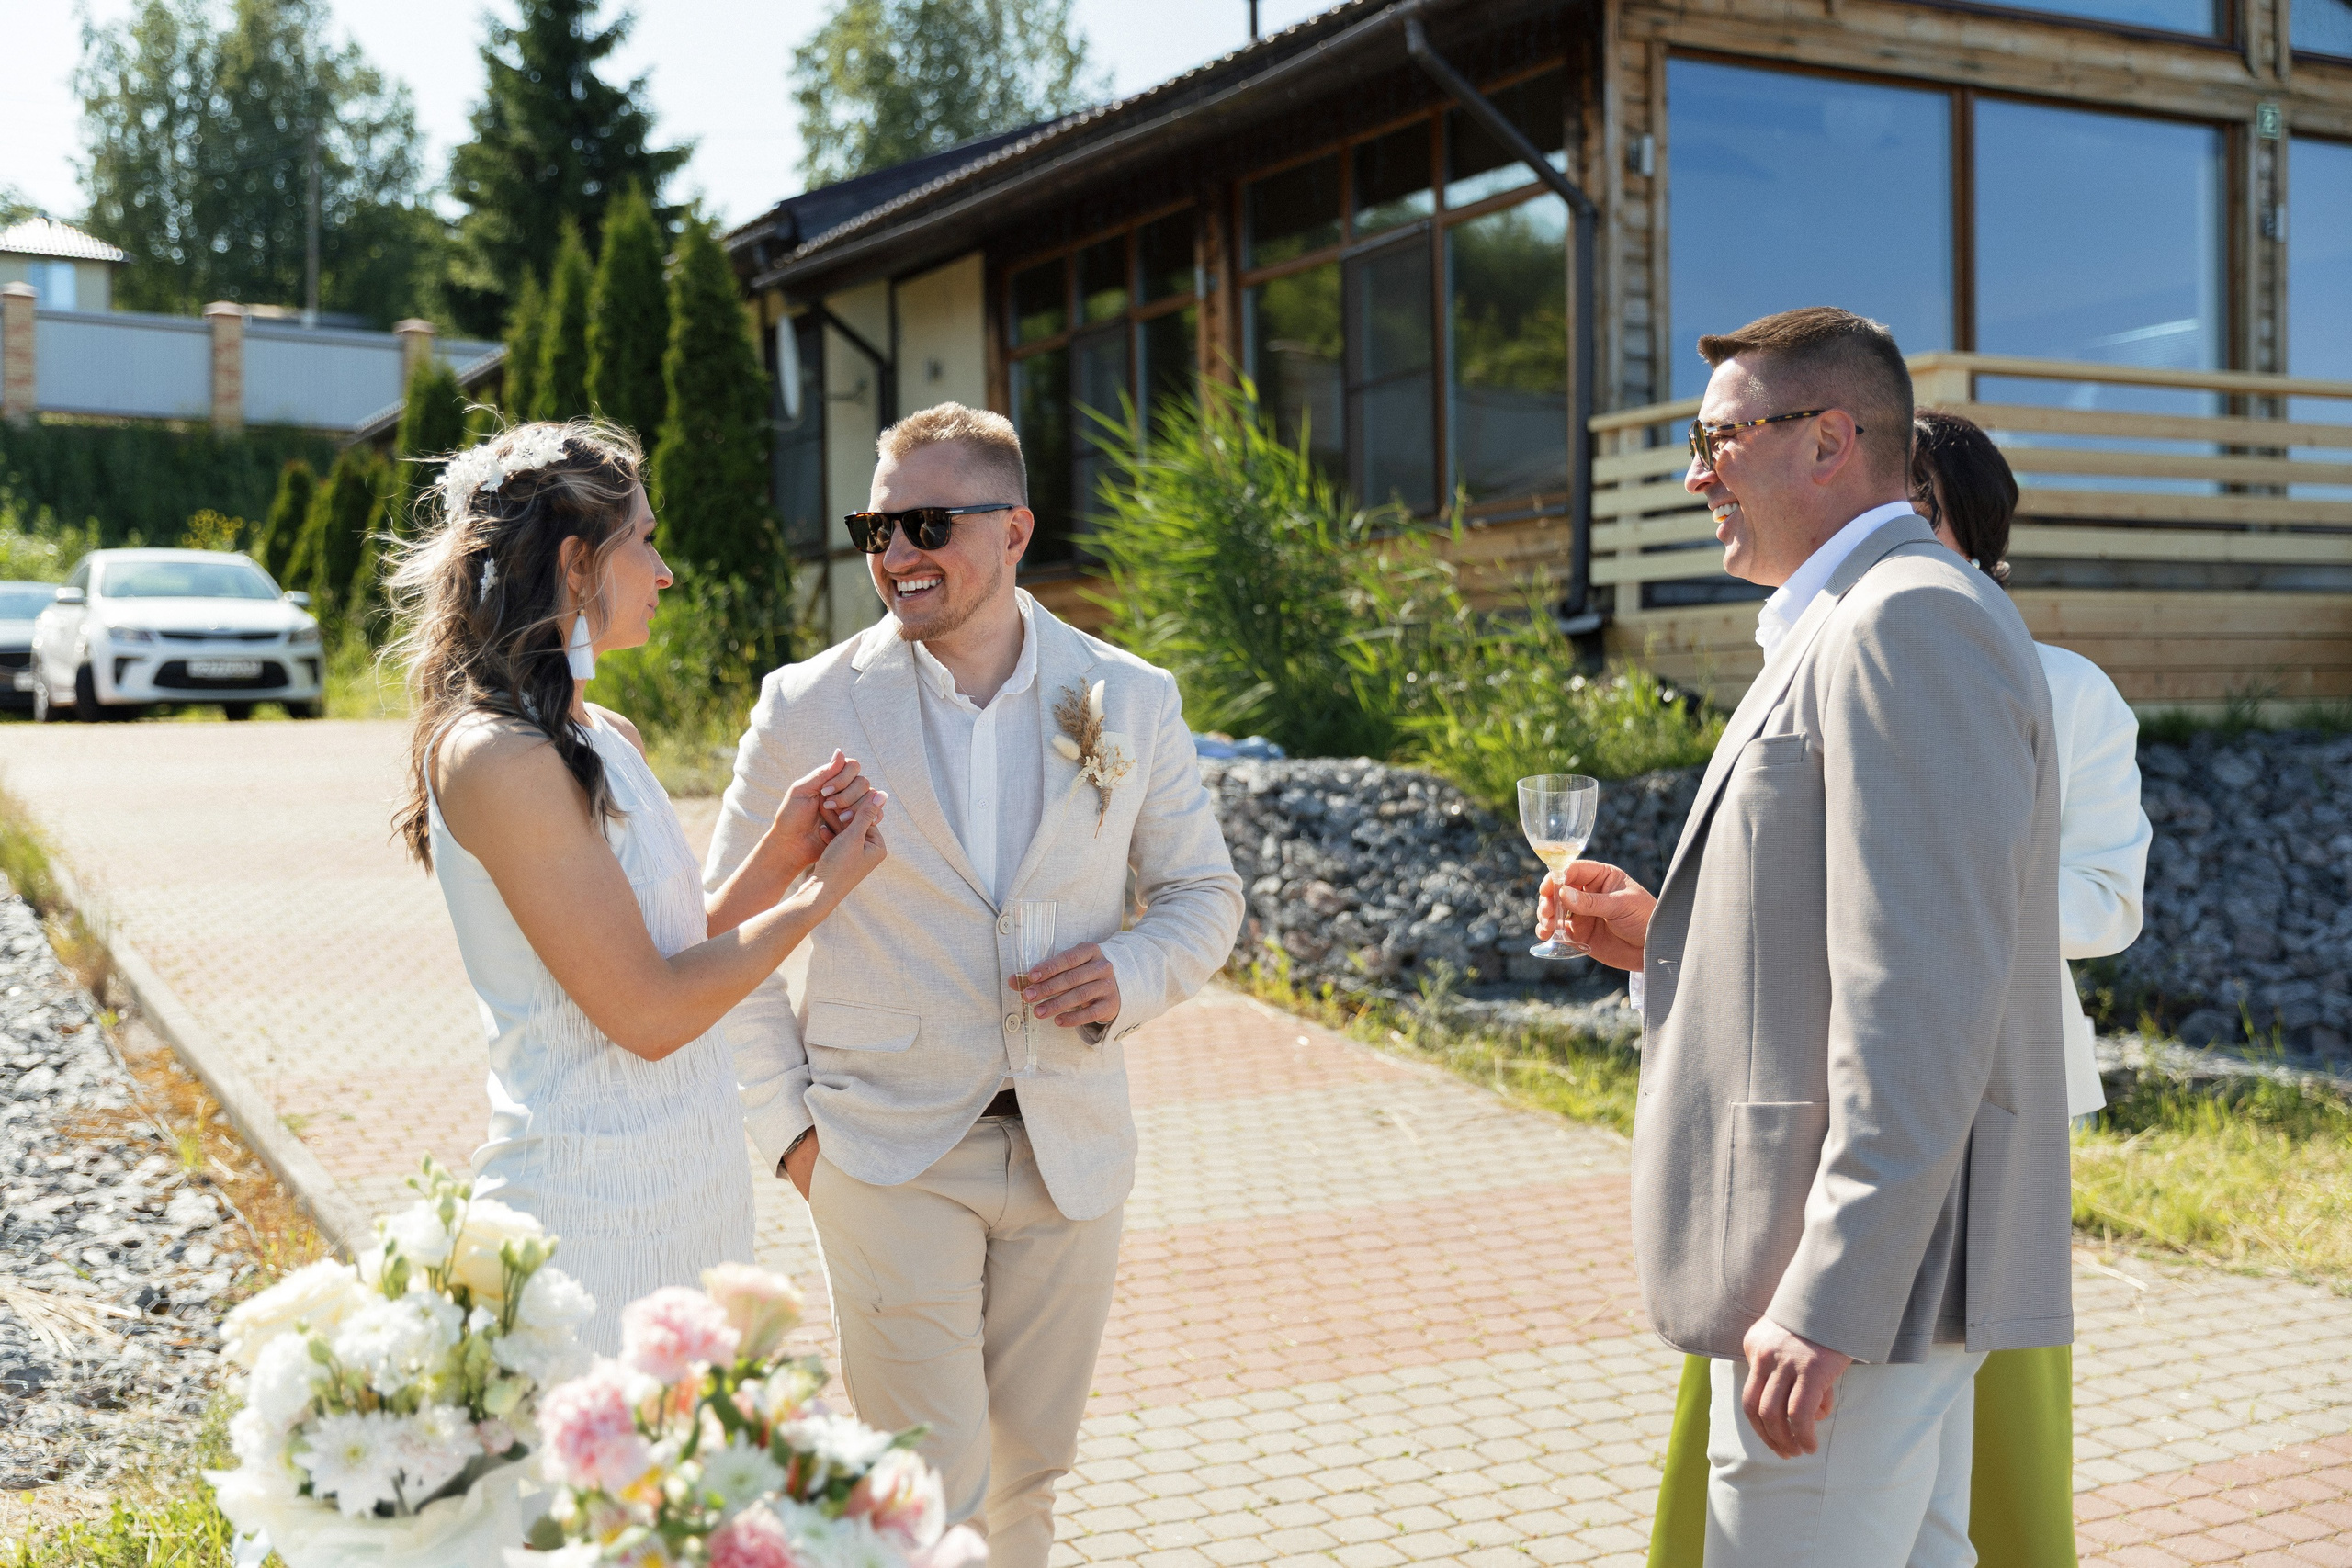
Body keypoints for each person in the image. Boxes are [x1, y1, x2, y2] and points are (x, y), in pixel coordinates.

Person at [1540, 309, 2072, 1568]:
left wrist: (1831, 1292)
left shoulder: (1902, 621)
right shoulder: (1856, 616)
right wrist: (1663, 940)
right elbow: (1851, 941)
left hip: (1846, 1286)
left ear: (1831, 438)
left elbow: (1926, 995)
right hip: (1863, 1281)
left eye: (1721, 437)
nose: (1694, 472)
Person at [709, 402, 1245, 1568]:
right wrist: (793, 1136)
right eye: (875, 528)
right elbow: (728, 938)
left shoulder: (1129, 697)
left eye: (927, 524)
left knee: (1027, 1474)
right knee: (920, 1483)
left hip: (1072, 1146)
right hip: (884, 1151)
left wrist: (1127, 971)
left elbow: (1205, 896)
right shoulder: (807, 705)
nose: (896, 555)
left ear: (1014, 533)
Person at [1641, 408, 2152, 1567]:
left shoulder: (2031, 673)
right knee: (1879, 1496)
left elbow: (2087, 906)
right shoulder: (1818, 637)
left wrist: (1945, 911)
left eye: (1916, 508)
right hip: (1796, 1129)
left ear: (1968, 523)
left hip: (1951, 1115)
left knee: (1923, 1457)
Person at [389, 419, 890, 1354]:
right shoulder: (495, 755)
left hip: (687, 1193)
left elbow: (666, 955)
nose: (665, 572)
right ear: (577, 565)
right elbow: (649, 1014)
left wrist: (782, 854)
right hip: (587, 1218)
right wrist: (816, 901)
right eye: (645, 541)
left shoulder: (604, 734)